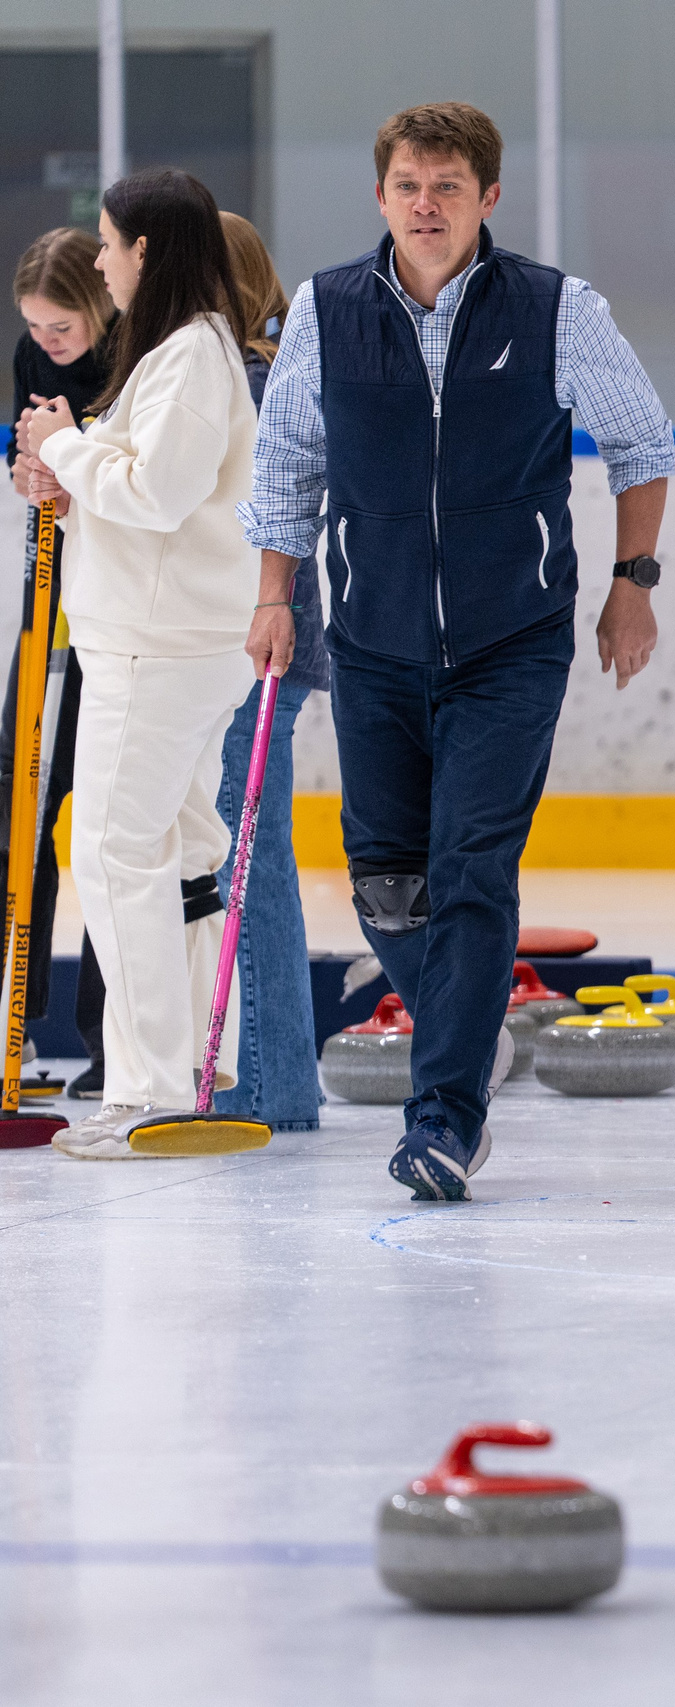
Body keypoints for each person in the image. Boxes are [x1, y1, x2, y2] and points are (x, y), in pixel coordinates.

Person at [241, 102, 674, 1202]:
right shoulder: (328, 312)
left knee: (472, 866)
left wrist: (633, 584)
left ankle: (445, 1116)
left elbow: (640, 441)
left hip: (512, 639)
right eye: (406, 187)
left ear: (488, 196)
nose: (425, 206)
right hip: (372, 638)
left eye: (447, 187)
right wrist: (275, 598)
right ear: (380, 196)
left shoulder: (555, 309)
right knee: (386, 883)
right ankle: (466, 1026)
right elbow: (288, 462)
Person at [16, 169, 261, 1156]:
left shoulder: (191, 357)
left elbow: (156, 495)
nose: (102, 261)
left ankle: (148, 1090)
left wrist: (65, 446)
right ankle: (199, 1067)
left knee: (116, 856)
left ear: (147, 250)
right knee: (183, 853)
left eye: (110, 243)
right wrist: (74, 477)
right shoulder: (174, 354)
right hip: (170, 638)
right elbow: (152, 495)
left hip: (155, 649)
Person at [206, 211, 326, 1132]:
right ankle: (273, 1069)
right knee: (246, 846)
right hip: (252, 639)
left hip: (257, 642)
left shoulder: (247, 381)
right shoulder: (246, 372)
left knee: (248, 850)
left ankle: (274, 1076)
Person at [10, 227, 118, 1096]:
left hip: (118, 611)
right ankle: (16, 1014)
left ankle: (109, 1038)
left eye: (59, 327)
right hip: (48, 598)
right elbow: (32, 469)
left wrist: (66, 457)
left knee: (110, 821)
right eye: (34, 328)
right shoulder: (30, 353)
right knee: (19, 795)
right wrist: (34, 466)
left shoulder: (137, 352)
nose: (46, 344)